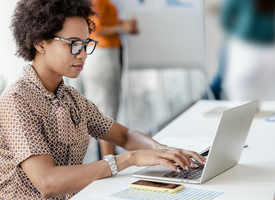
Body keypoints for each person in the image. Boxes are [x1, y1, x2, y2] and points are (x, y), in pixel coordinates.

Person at [0, 0, 205, 199]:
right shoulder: (16, 101)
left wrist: (160, 150)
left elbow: (124, 136)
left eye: (85, 44)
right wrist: (131, 158)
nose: (83, 54)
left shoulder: (71, 99)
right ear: (40, 43)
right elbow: (48, 183)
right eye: (73, 44)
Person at [80, 0, 138, 159]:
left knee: (108, 108)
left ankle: (108, 159)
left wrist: (122, 24)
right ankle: (108, 162)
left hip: (107, 54)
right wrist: (121, 27)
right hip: (102, 55)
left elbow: (105, 21)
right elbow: (94, 27)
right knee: (105, 111)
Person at [220, 0, 275, 101]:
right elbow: (225, 20)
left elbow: (225, 20)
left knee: (242, 90)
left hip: (253, 46)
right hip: (248, 47)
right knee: (242, 88)